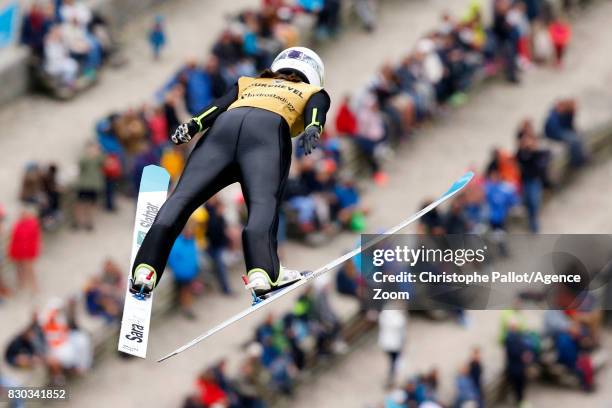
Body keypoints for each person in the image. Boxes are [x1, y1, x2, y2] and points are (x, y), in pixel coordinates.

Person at [130, 47, 330, 299]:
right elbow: (317, 108)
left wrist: (193, 125)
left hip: (223, 132)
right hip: (266, 134)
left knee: (181, 199)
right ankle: (262, 273)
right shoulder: (313, 91)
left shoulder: (249, 83)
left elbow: (217, 106)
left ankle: (145, 270)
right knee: (262, 206)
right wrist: (314, 127)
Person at [8, 207, 42, 293]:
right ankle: (22, 285)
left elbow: (34, 240)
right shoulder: (18, 224)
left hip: (27, 251)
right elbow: (14, 238)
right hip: (18, 250)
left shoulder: (32, 224)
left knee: (29, 269)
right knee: (19, 268)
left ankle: (34, 287)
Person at [378, 308, 407, 388]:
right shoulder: (400, 319)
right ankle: (391, 378)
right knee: (394, 362)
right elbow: (402, 335)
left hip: (386, 344)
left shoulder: (385, 314)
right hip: (395, 345)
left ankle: (391, 377)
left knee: (392, 361)